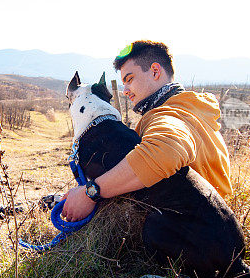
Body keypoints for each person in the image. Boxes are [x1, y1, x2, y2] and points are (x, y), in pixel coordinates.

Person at [61, 40, 233, 224]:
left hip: (190, 229)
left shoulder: (170, 116)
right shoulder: (191, 109)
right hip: (214, 219)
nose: (125, 91)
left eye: (129, 79)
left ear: (155, 71)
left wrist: (91, 193)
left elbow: (165, 151)